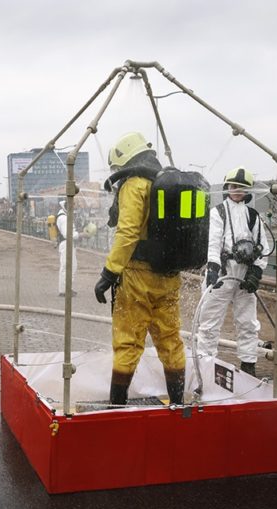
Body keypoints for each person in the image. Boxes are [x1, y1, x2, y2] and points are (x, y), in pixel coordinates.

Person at [93, 132, 186, 406]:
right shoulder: (164, 181)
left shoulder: (134, 184)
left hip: (137, 276)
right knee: (170, 340)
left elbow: (128, 232)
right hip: (169, 275)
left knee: (128, 341)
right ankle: (178, 405)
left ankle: (117, 405)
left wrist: (108, 273)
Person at [196, 167, 270, 377]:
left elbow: (262, 247)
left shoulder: (253, 216)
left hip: (245, 274)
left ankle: (248, 366)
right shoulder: (218, 212)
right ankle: (205, 366)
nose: (237, 190)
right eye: (233, 186)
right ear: (227, 188)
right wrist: (212, 268)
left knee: (247, 322)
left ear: (248, 191)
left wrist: (256, 272)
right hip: (222, 273)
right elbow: (214, 242)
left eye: (242, 187)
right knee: (209, 322)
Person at [56, 200, 79, 297]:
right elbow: (67, 234)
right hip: (66, 244)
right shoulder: (64, 218)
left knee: (71, 266)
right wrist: (81, 235)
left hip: (67, 244)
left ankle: (67, 288)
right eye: (72, 205)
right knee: (66, 267)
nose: (74, 207)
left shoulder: (63, 216)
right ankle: (64, 290)